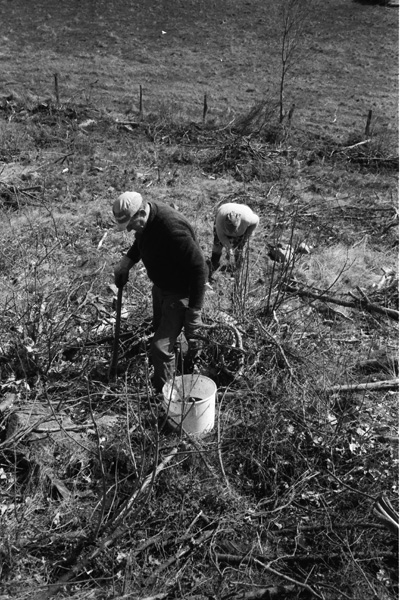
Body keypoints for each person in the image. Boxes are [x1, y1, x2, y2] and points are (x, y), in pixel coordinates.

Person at [112, 191, 207, 393]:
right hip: (161, 288)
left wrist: (194, 312)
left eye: (130, 224)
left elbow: (200, 268)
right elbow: (141, 240)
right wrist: (127, 262)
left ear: (140, 213)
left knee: (160, 348)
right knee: (162, 333)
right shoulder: (146, 219)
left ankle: (167, 398)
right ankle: (180, 368)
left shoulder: (172, 229)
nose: (128, 229)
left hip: (180, 293)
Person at [209, 202, 260, 276]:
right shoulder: (220, 220)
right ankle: (214, 263)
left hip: (243, 212)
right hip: (225, 208)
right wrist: (229, 249)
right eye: (229, 229)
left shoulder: (247, 219)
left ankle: (238, 268)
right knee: (217, 245)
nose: (230, 232)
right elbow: (221, 236)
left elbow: (257, 220)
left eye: (233, 229)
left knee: (240, 249)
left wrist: (247, 235)